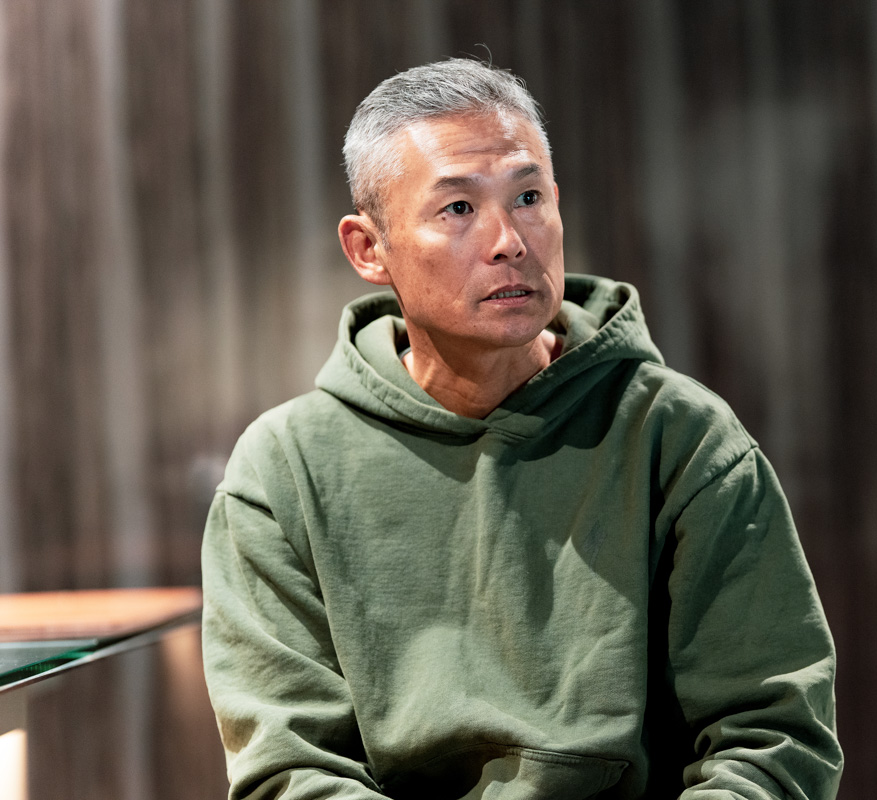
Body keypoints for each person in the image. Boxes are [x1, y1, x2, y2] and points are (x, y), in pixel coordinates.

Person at [201, 58, 843, 800]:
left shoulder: (681, 438)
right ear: (368, 249)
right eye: (458, 208)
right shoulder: (282, 469)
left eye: (528, 197)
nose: (509, 239)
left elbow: (772, 740)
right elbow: (290, 767)